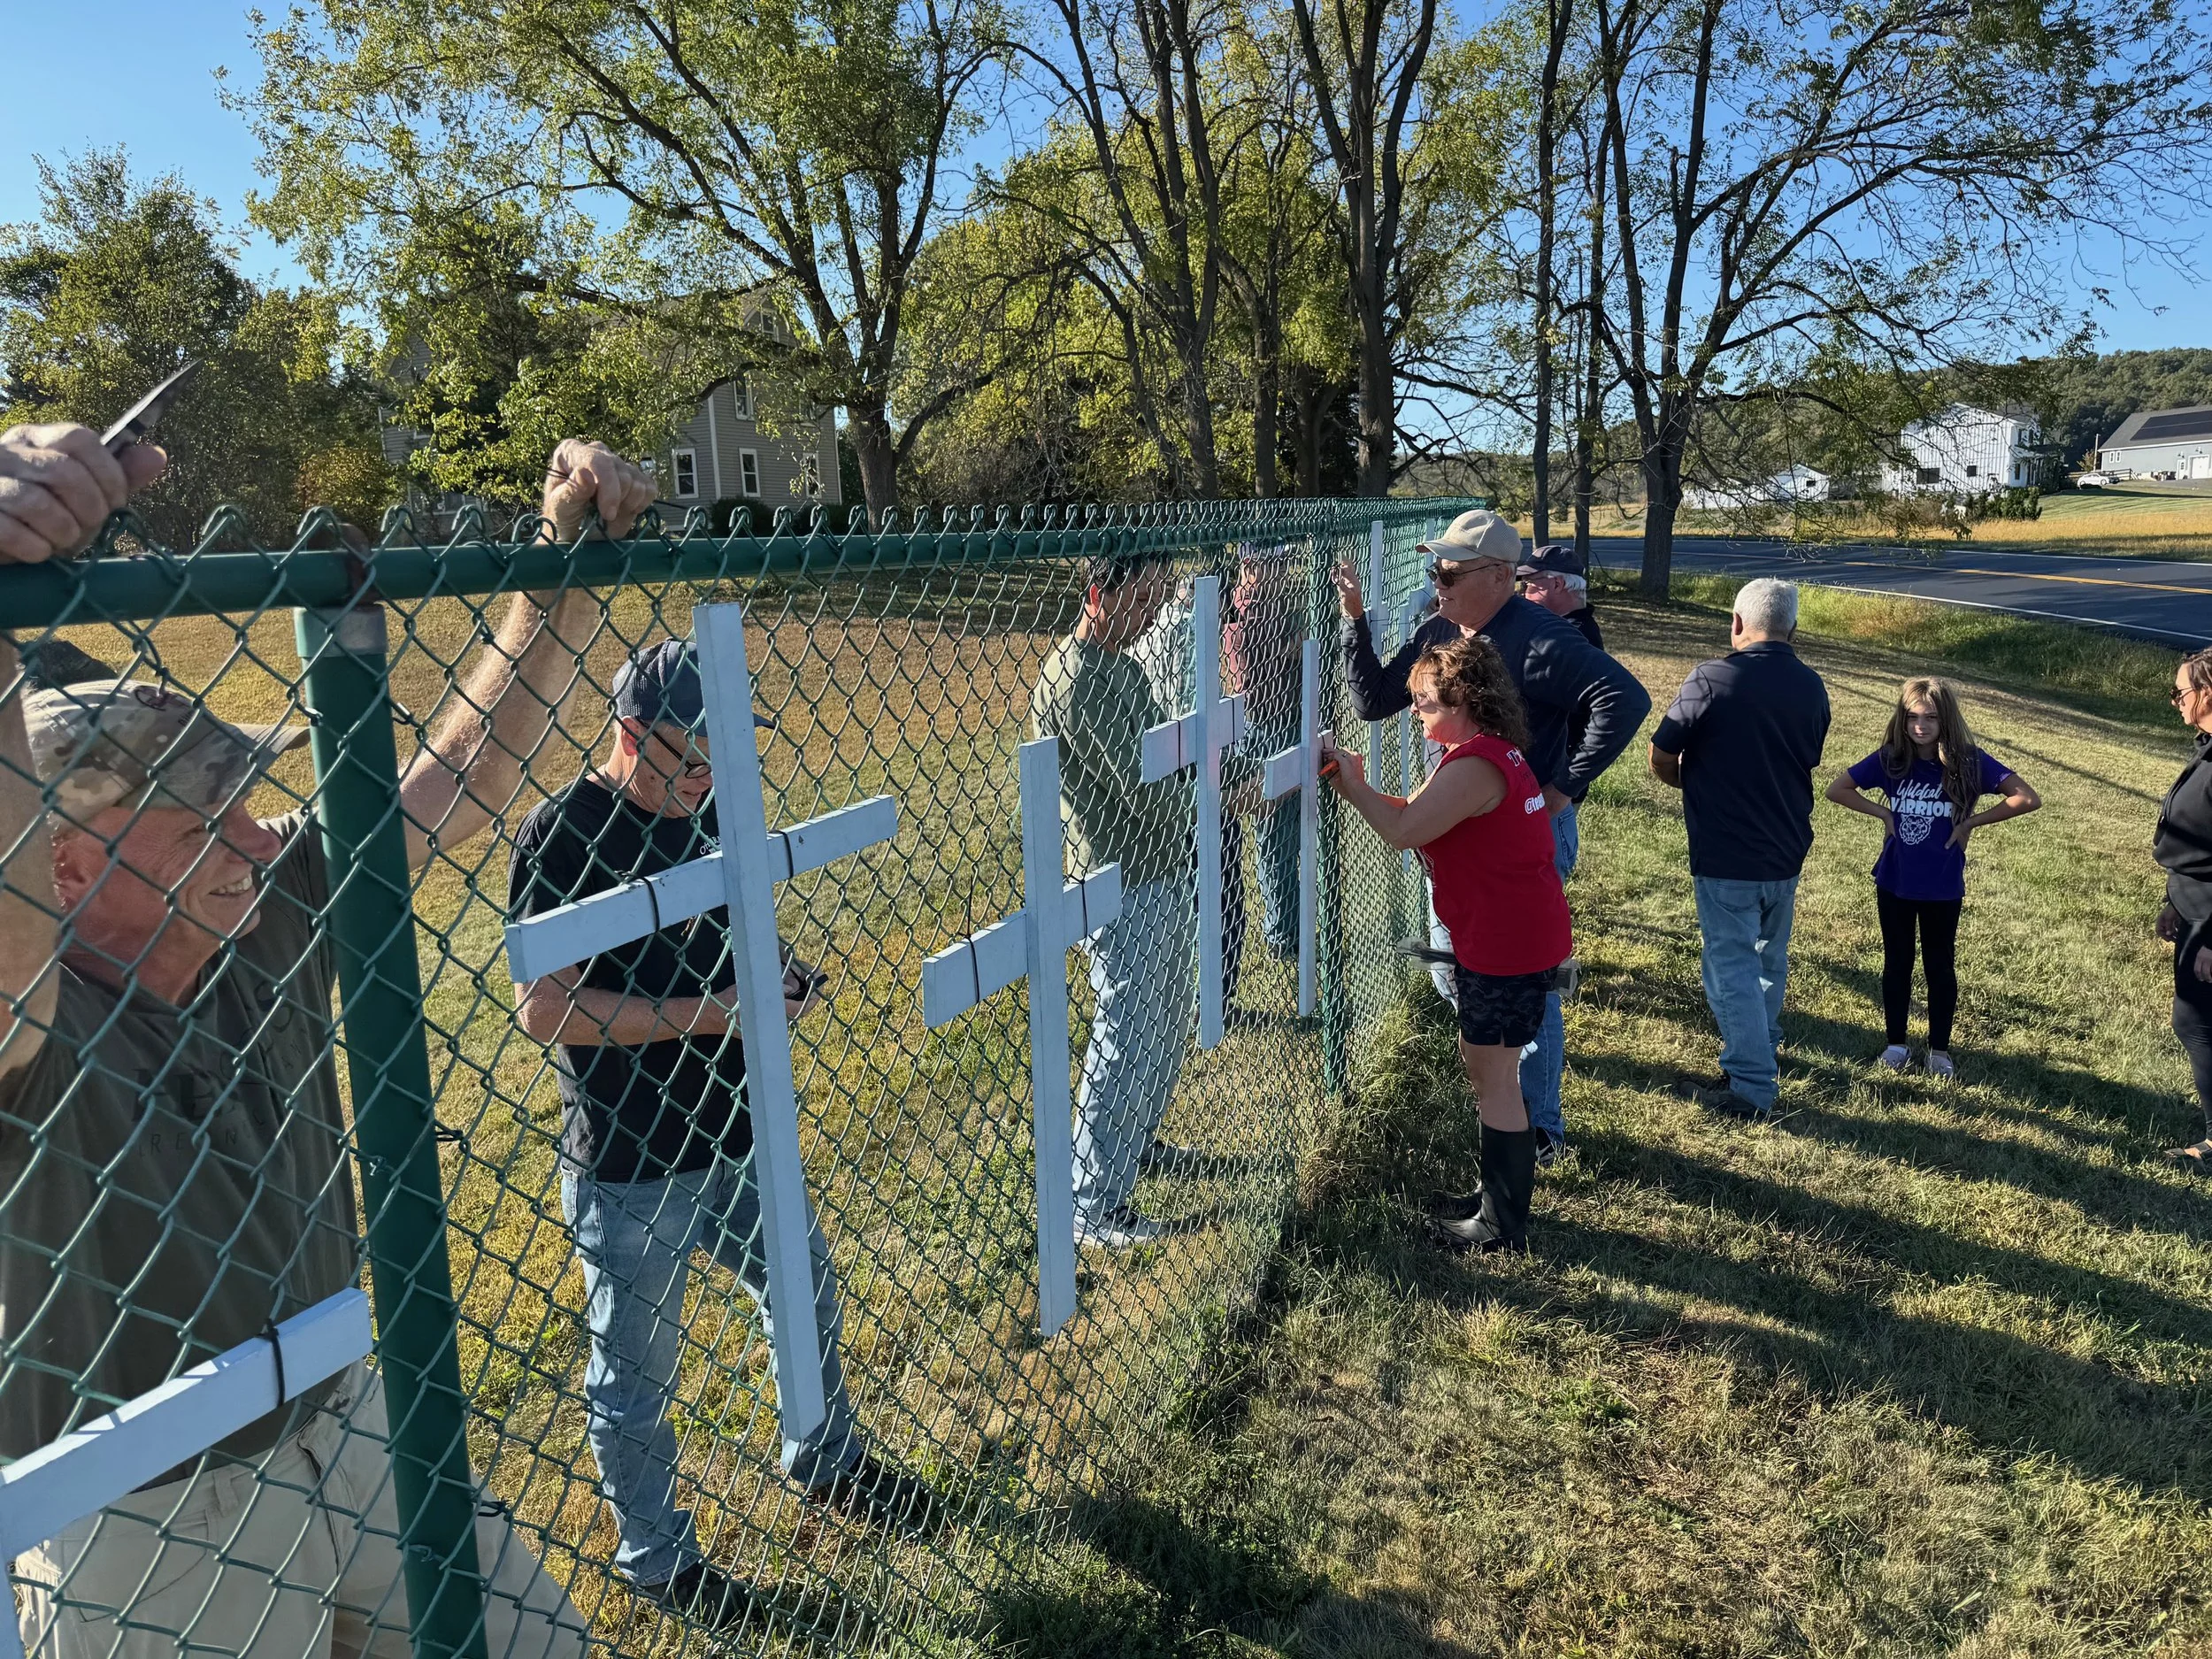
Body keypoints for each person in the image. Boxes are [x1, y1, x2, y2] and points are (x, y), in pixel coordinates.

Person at [0, 425, 649, 1659]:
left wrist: (557, 574)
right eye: (201, 817)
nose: (255, 834)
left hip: (349, 1415)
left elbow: (459, 779)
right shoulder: (36, 1021)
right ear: (67, 864)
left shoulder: (264, 905)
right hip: (146, 1505)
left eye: (245, 792)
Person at [506, 641, 936, 1632]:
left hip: (738, 1133)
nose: (711, 772)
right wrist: (714, 1011)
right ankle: (657, 1558)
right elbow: (544, 1011)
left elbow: (736, 935)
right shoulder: (563, 834)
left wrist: (775, 974)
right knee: (636, 1371)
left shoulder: (708, 811)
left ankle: (826, 1460)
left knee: (805, 1288)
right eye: (694, 751)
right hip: (633, 1158)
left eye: (726, 751)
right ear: (628, 735)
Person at [1333, 509, 1649, 1165]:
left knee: (1522, 981)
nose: (1437, 581)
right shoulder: (1443, 630)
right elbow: (1373, 701)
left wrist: (1565, 785)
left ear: (1502, 576)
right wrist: (1354, 619)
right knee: (1467, 973)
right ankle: (1501, 1094)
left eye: (1449, 570)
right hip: (1457, 837)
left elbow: (1624, 697)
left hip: (1525, 835)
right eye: (1434, 569)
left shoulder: (1540, 638)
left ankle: (1538, 1128)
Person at [1323, 636, 1571, 1253]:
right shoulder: (1484, 753)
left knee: (1495, 1076)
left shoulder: (1475, 764)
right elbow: (1419, 812)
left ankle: (1501, 1225)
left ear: (1464, 699)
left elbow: (1405, 830)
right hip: (1514, 934)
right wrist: (1356, 783)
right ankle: (1496, 1199)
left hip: (1505, 942)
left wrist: (1348, 783)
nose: (1415, 710)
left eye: (1425, 700)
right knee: (1492, 1069)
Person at [1032, 555, 1200, 1249]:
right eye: (1143, 599)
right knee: (1128, 1029)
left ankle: (1133, 1140)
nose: (1155, 614)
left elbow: (1169, 755)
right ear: (1097, 593)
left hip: (1156, 870)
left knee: (1162, 1022)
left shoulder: (1119, 664)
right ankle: (1092, 1202)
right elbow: (1149, 786)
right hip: (1119, 879)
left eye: (1164, 597)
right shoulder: (1080, 679)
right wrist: (1220, 792)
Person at [1648, 577, 1831, 1121]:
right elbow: (1810, 755)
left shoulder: (1712, 678)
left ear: (1735, 623)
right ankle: (1761, 1045)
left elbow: (1662, 754)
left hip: (1728, 851)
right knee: (1768, 958)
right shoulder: (1812, 685)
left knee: (1730, 965)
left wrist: (1693, 782)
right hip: (1787, 844)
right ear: (1793, 630)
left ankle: (1751, 1087)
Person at [1824, 678, 2040, 1077]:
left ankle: (1939, 1050)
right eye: (1912, 717)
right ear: (1902, 719)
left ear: (1947, 720)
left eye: (1930, 717)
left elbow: (2026, 798)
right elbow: (1838, 789)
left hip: (1942, 884)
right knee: (1897, 962)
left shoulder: (1970, 762)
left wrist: (1971, 822)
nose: (1920, 725)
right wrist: (1883, 813)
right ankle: (1896, 1044)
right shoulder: (1892, 759)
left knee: (1939, 965)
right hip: (1895, 879)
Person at [2154, 647, 2212, 1174]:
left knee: (2196, 1022)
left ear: (2207, 694)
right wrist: (2170, 898)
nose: (2175, 701)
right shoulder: (2207, 748)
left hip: (2211, 919)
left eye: (2181, 692)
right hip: (2190, 905)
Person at [1517, 543, 1603, 648]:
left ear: (1557, 584)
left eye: (1528, 584)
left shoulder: (1570, 639)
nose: (1523, 593)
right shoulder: (1569, 629)